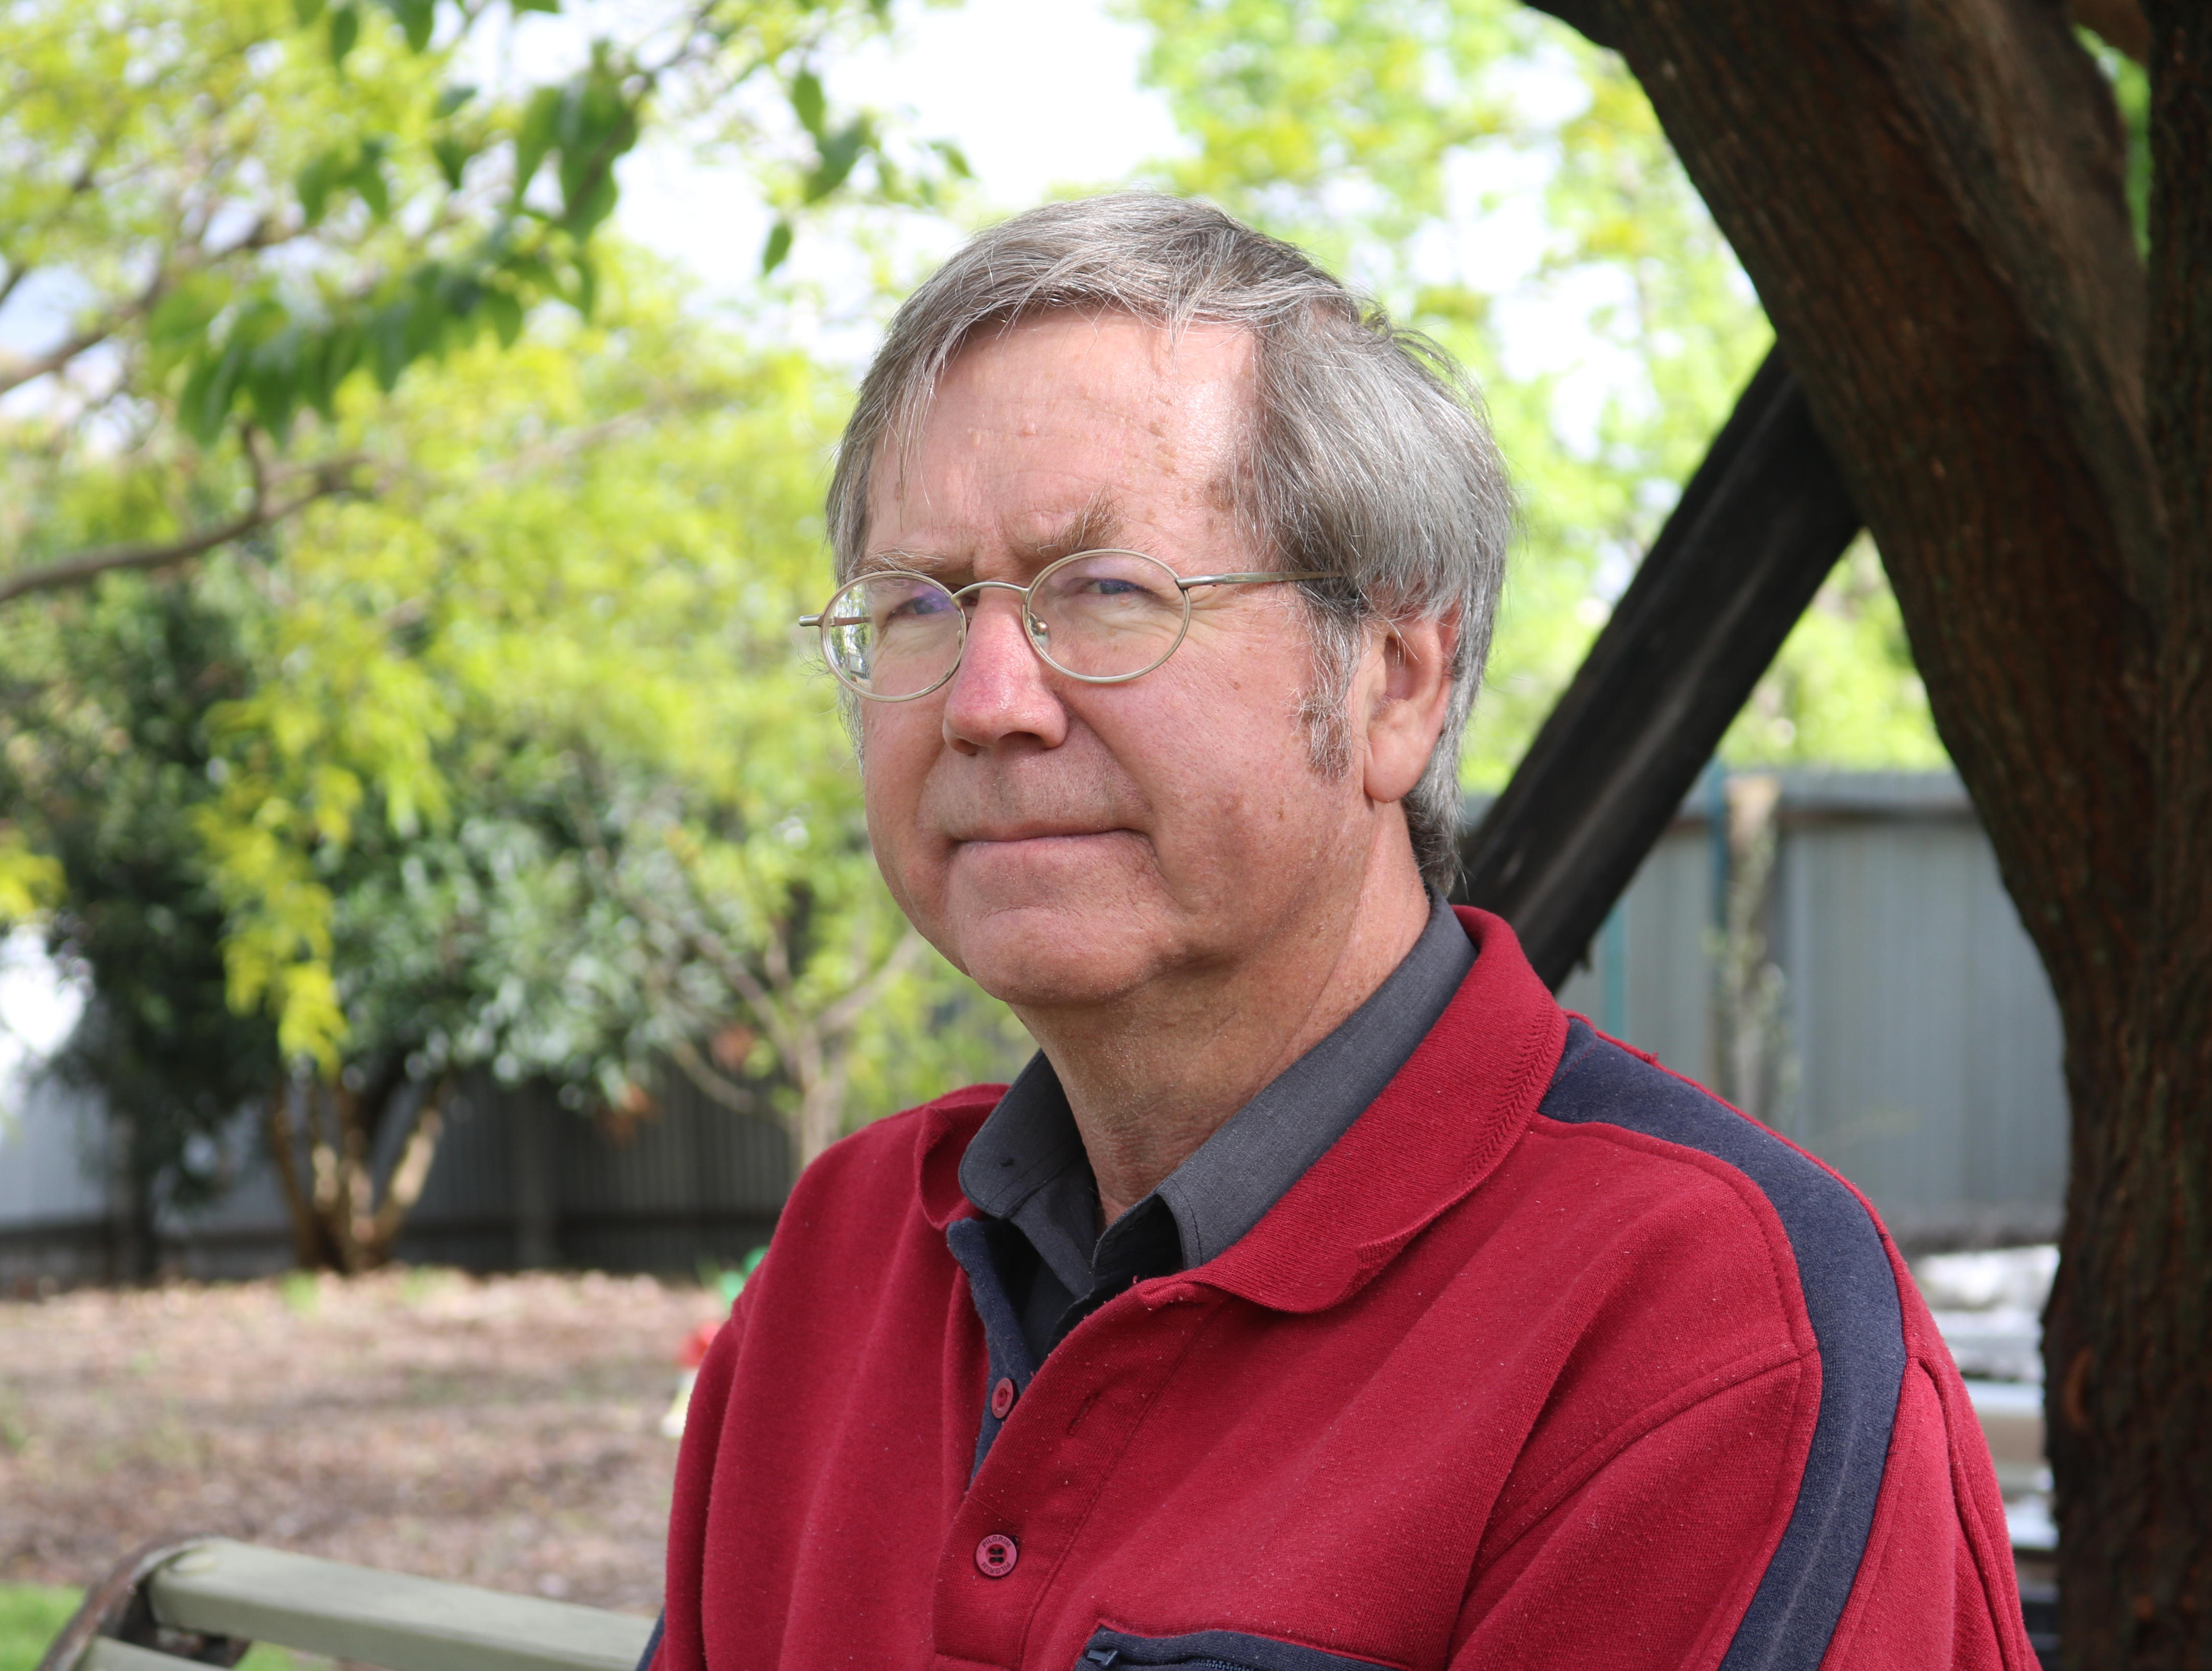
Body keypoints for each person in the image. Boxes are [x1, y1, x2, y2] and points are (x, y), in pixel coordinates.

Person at [647, 194, 2034, 1671]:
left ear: (1394, 683)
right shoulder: (845, 1260)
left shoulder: (1704, 1321)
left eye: (1106, 593)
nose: (988, 700)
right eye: (916, 607)